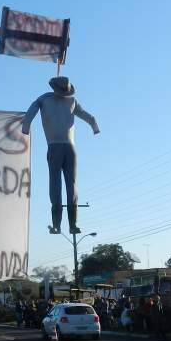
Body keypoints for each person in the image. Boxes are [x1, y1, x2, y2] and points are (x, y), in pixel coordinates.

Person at [21, 76, 100, 234]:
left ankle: (58, 224)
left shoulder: (44, 99)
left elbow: (29, 116)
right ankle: (72, 224)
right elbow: (89, 117)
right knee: (70, 185)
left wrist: (25, 128)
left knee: (56, 184)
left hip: (56, 147)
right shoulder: (70, 101)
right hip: (70, 148)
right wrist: (95, 127)